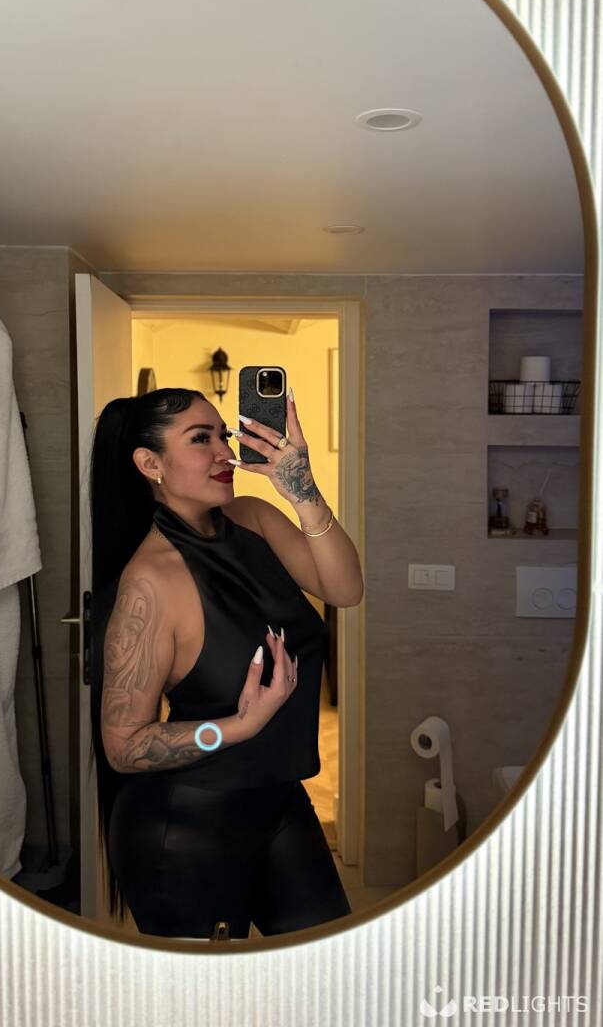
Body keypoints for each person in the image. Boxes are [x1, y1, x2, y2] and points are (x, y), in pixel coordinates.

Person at [88, 384, 363, 939]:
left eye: (223, 434)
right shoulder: (151, 581)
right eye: (200, 439)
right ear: (150, 464)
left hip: (279, 800)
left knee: (329, 966)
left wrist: (302, 489)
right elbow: (123, 746)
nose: (224, 452)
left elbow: (346, 589)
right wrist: (239, 726)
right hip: (185, 827)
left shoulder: (254, 519)